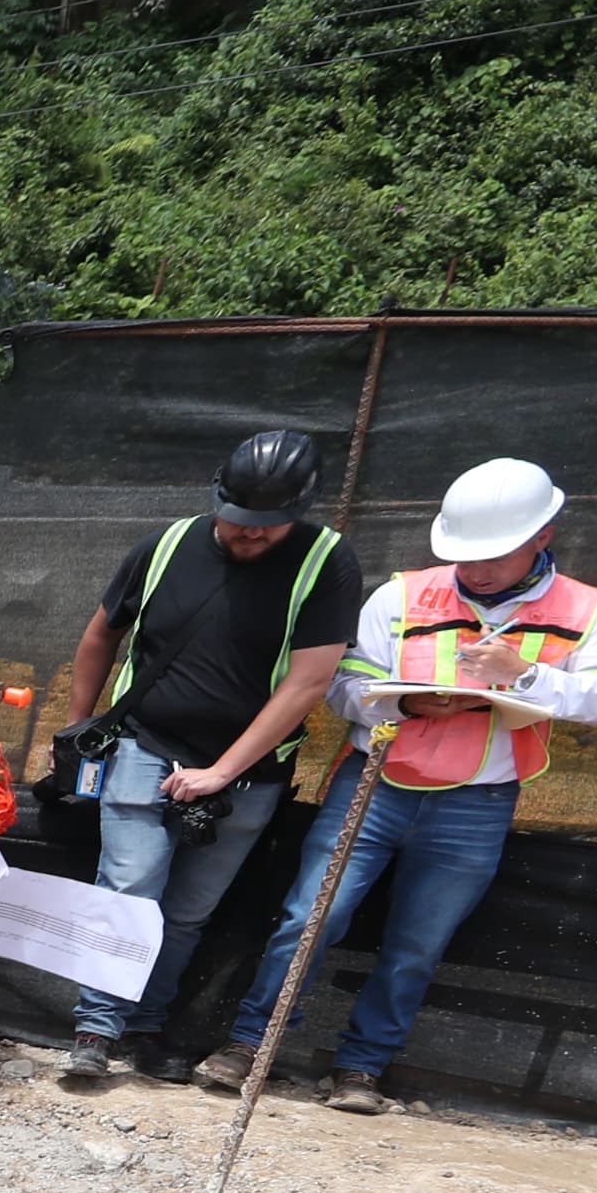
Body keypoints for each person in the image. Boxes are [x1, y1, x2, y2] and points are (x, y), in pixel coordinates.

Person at [194, 458, 597, 1114]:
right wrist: (404, 706)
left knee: (417, 945)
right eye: (465, 554)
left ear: (543, 536)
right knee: (313, 915)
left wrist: (526, 676)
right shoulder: (403, 594)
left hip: (478, 802)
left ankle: (360, 1070)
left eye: (494, 554)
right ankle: (249, 1045)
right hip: (374, 785)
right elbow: (344, 684)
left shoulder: (584, 608)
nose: (475, 570)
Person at [50, 429, 359, 1086]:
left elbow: (307, 682)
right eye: (240, 522)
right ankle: (96, 1026)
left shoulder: (326, 561)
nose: (251, 536)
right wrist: (80, 723)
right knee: (130, 886)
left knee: (188, 911)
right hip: (144, 746)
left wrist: (224, 770)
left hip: (247, 774)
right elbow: (102, 631)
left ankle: (146, 1025)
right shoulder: (165, 545)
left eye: (269, 528)